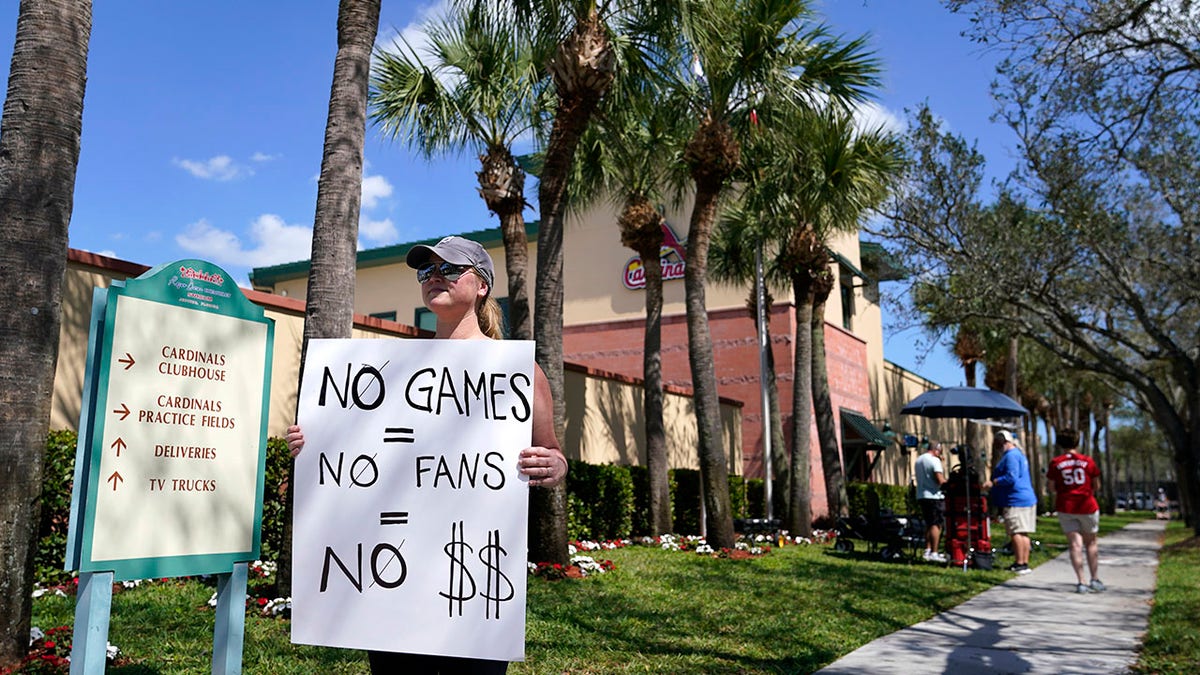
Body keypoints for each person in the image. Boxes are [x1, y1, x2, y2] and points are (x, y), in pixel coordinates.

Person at [286, 236, 567, 674]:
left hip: (473, 582)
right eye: (427, 271)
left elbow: (551, 451)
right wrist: (313, 443)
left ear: (482, 286)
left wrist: (552, 465)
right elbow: (355, 450)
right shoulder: (390, 369)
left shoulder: (516, 372)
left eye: (450, 269)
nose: (435, 277)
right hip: (393, 580)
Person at [1046, 428, 1105, 593]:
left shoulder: (1056, 463)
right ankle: (1095, 579)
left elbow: (1051, 487)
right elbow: (1097, 485)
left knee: (1075, 545)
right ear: (1077, 442)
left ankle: (1081, 581)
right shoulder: (1088, 461)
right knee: (1091, 543)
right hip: (1087, 506)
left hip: (1066, 506)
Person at [984, 429, 1037, 575]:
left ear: (1004, 442)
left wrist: (994, 482)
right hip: (1025, 498)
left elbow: (1011, 477)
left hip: (1016, 500)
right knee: (1023, 532)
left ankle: (1020, 563)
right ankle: (1024, 562)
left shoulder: (1011, 456)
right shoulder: (1018, 454)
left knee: (1015, 532)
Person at [914, 441, 948, 562]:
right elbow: (939, 479)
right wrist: (948, 483)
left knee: (929, 523)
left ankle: (927, 550)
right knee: (936, 524)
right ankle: (934, 552)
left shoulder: (919, 460)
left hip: (922, 495)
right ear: (937, 450)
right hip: (934, 496)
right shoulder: (934, 460)